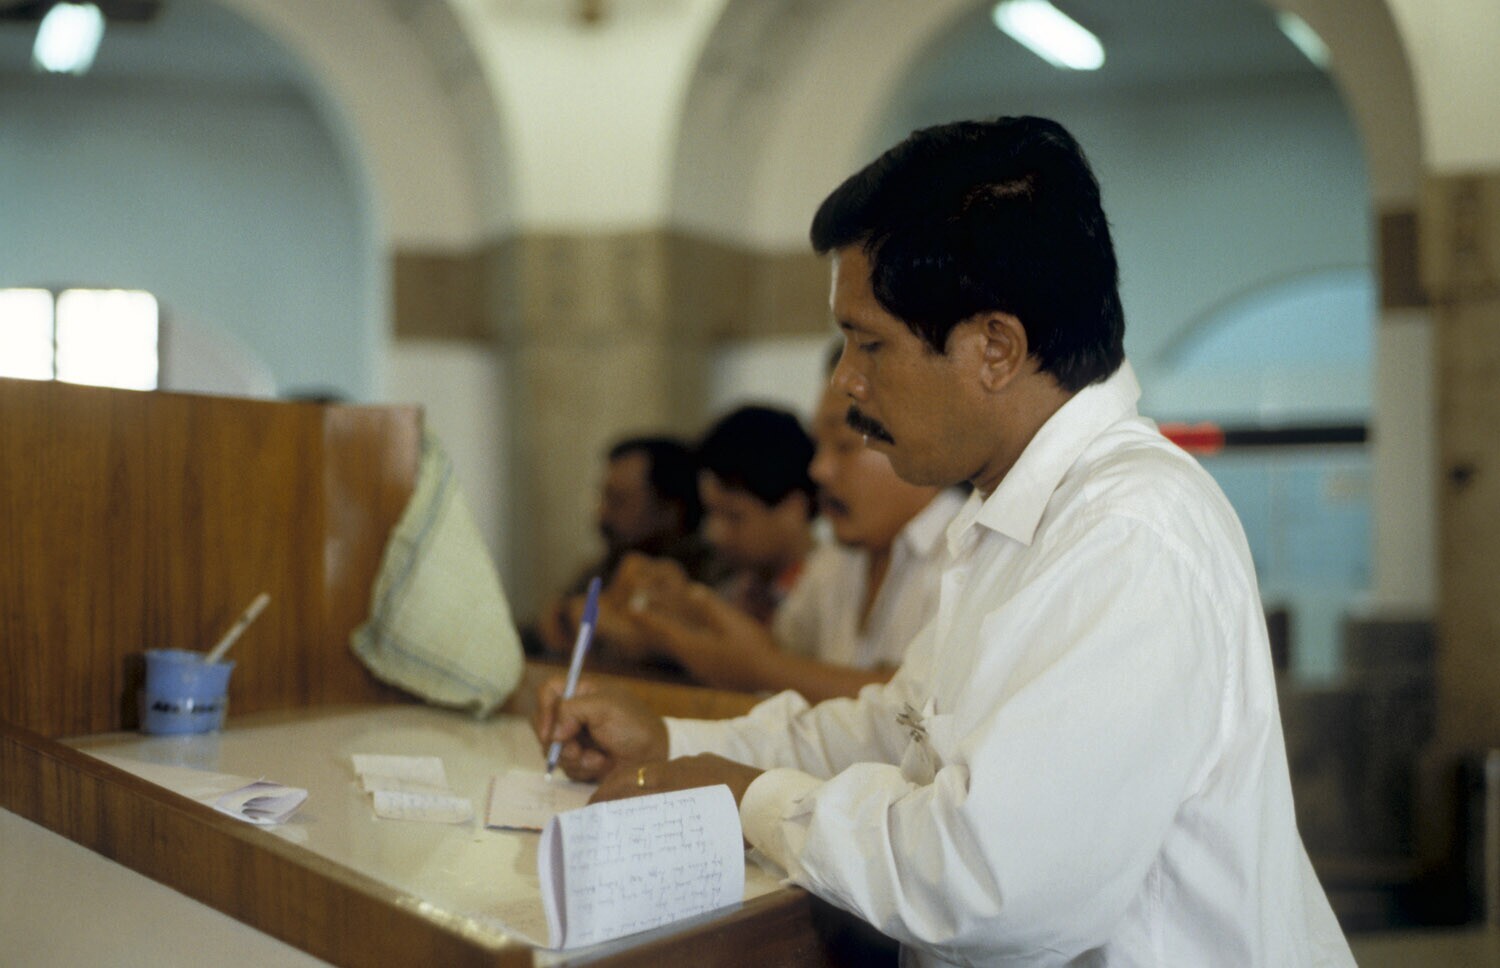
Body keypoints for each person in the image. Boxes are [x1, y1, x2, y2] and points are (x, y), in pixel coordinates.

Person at [536, 116, 1354, 966]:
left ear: (995, 348)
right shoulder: (1020, 516)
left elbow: (993, 884)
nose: (848, 382)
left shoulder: (1128, 533)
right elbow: (894, 733)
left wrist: (748, 797)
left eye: (870, 344)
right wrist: (676, 747)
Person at [617, 356, 966, 702]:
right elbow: (777, 655)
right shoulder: (836, 562)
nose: (819, 470)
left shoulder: (969, 554)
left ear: (921, 435)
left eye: (844, 445)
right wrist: (685, 606)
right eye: (819, 446)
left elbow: (918, 705)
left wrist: (762, 667)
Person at [526, 435, 717, 657]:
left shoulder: (709, 579)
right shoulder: (605, 567)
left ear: (670, 510)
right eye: (603, 498)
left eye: (618, 501)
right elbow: (539, 632)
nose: (602, 514)